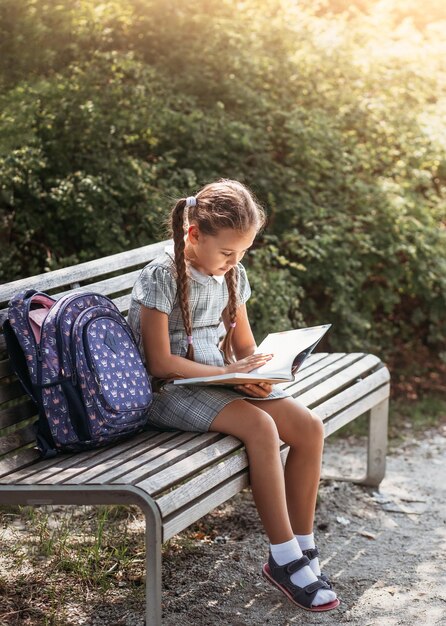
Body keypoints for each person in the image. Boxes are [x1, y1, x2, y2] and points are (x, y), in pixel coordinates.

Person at [127, 179, 340, 612]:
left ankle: (304, 544)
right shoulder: (161, 275)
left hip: (222, 379)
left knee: (308, 427)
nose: (235, 261)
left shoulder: (233, 274)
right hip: (172, 391)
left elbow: (245, 347)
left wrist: (266, 373)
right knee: (260, 427)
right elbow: (160, 362)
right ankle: (282, 558)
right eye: (227, 252)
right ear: (193, 234)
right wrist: (227, 374)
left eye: (243, 252)